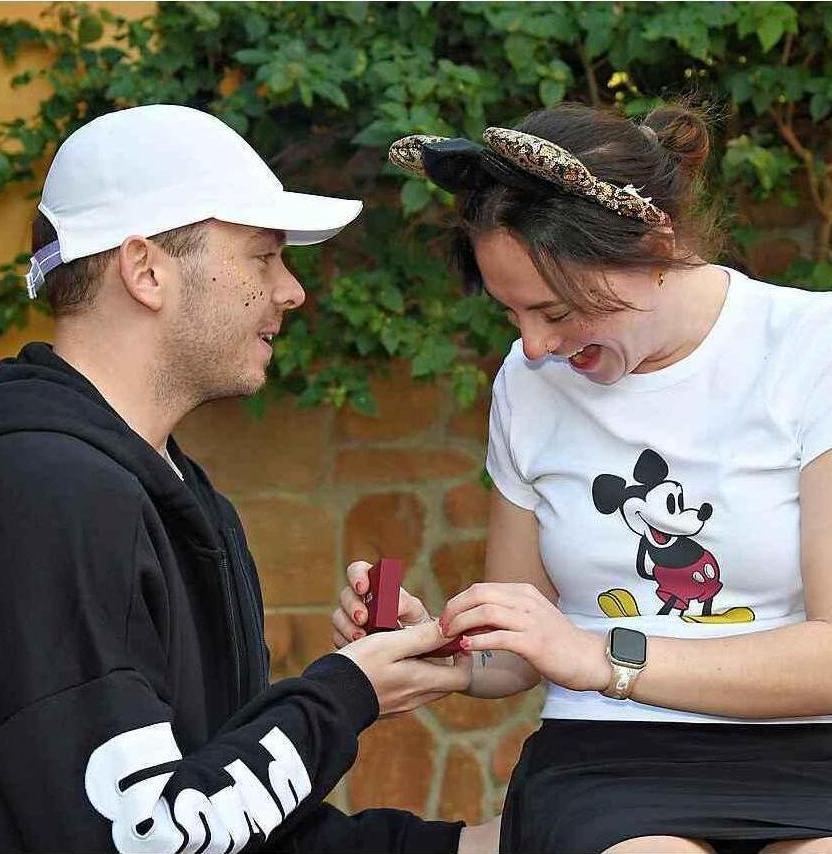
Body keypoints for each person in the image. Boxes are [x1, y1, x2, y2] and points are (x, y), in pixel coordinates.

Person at [0, 104, 500, 854]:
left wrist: (480, 843)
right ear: (146, 270)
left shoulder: (185, 499)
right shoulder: (49, 491)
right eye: (263, 257)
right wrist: (344, 694)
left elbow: (224, 824)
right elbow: (144, 835)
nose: (292, 291)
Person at [333, 102, 832, 854]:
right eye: (512, 314)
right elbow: (521, 646)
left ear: (655, 245)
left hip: (809, 756)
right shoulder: (527, 383)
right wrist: (448, 654)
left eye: (557, 311)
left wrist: (600, 656)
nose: (533, 347)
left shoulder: (808, 348)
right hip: (608, 760)